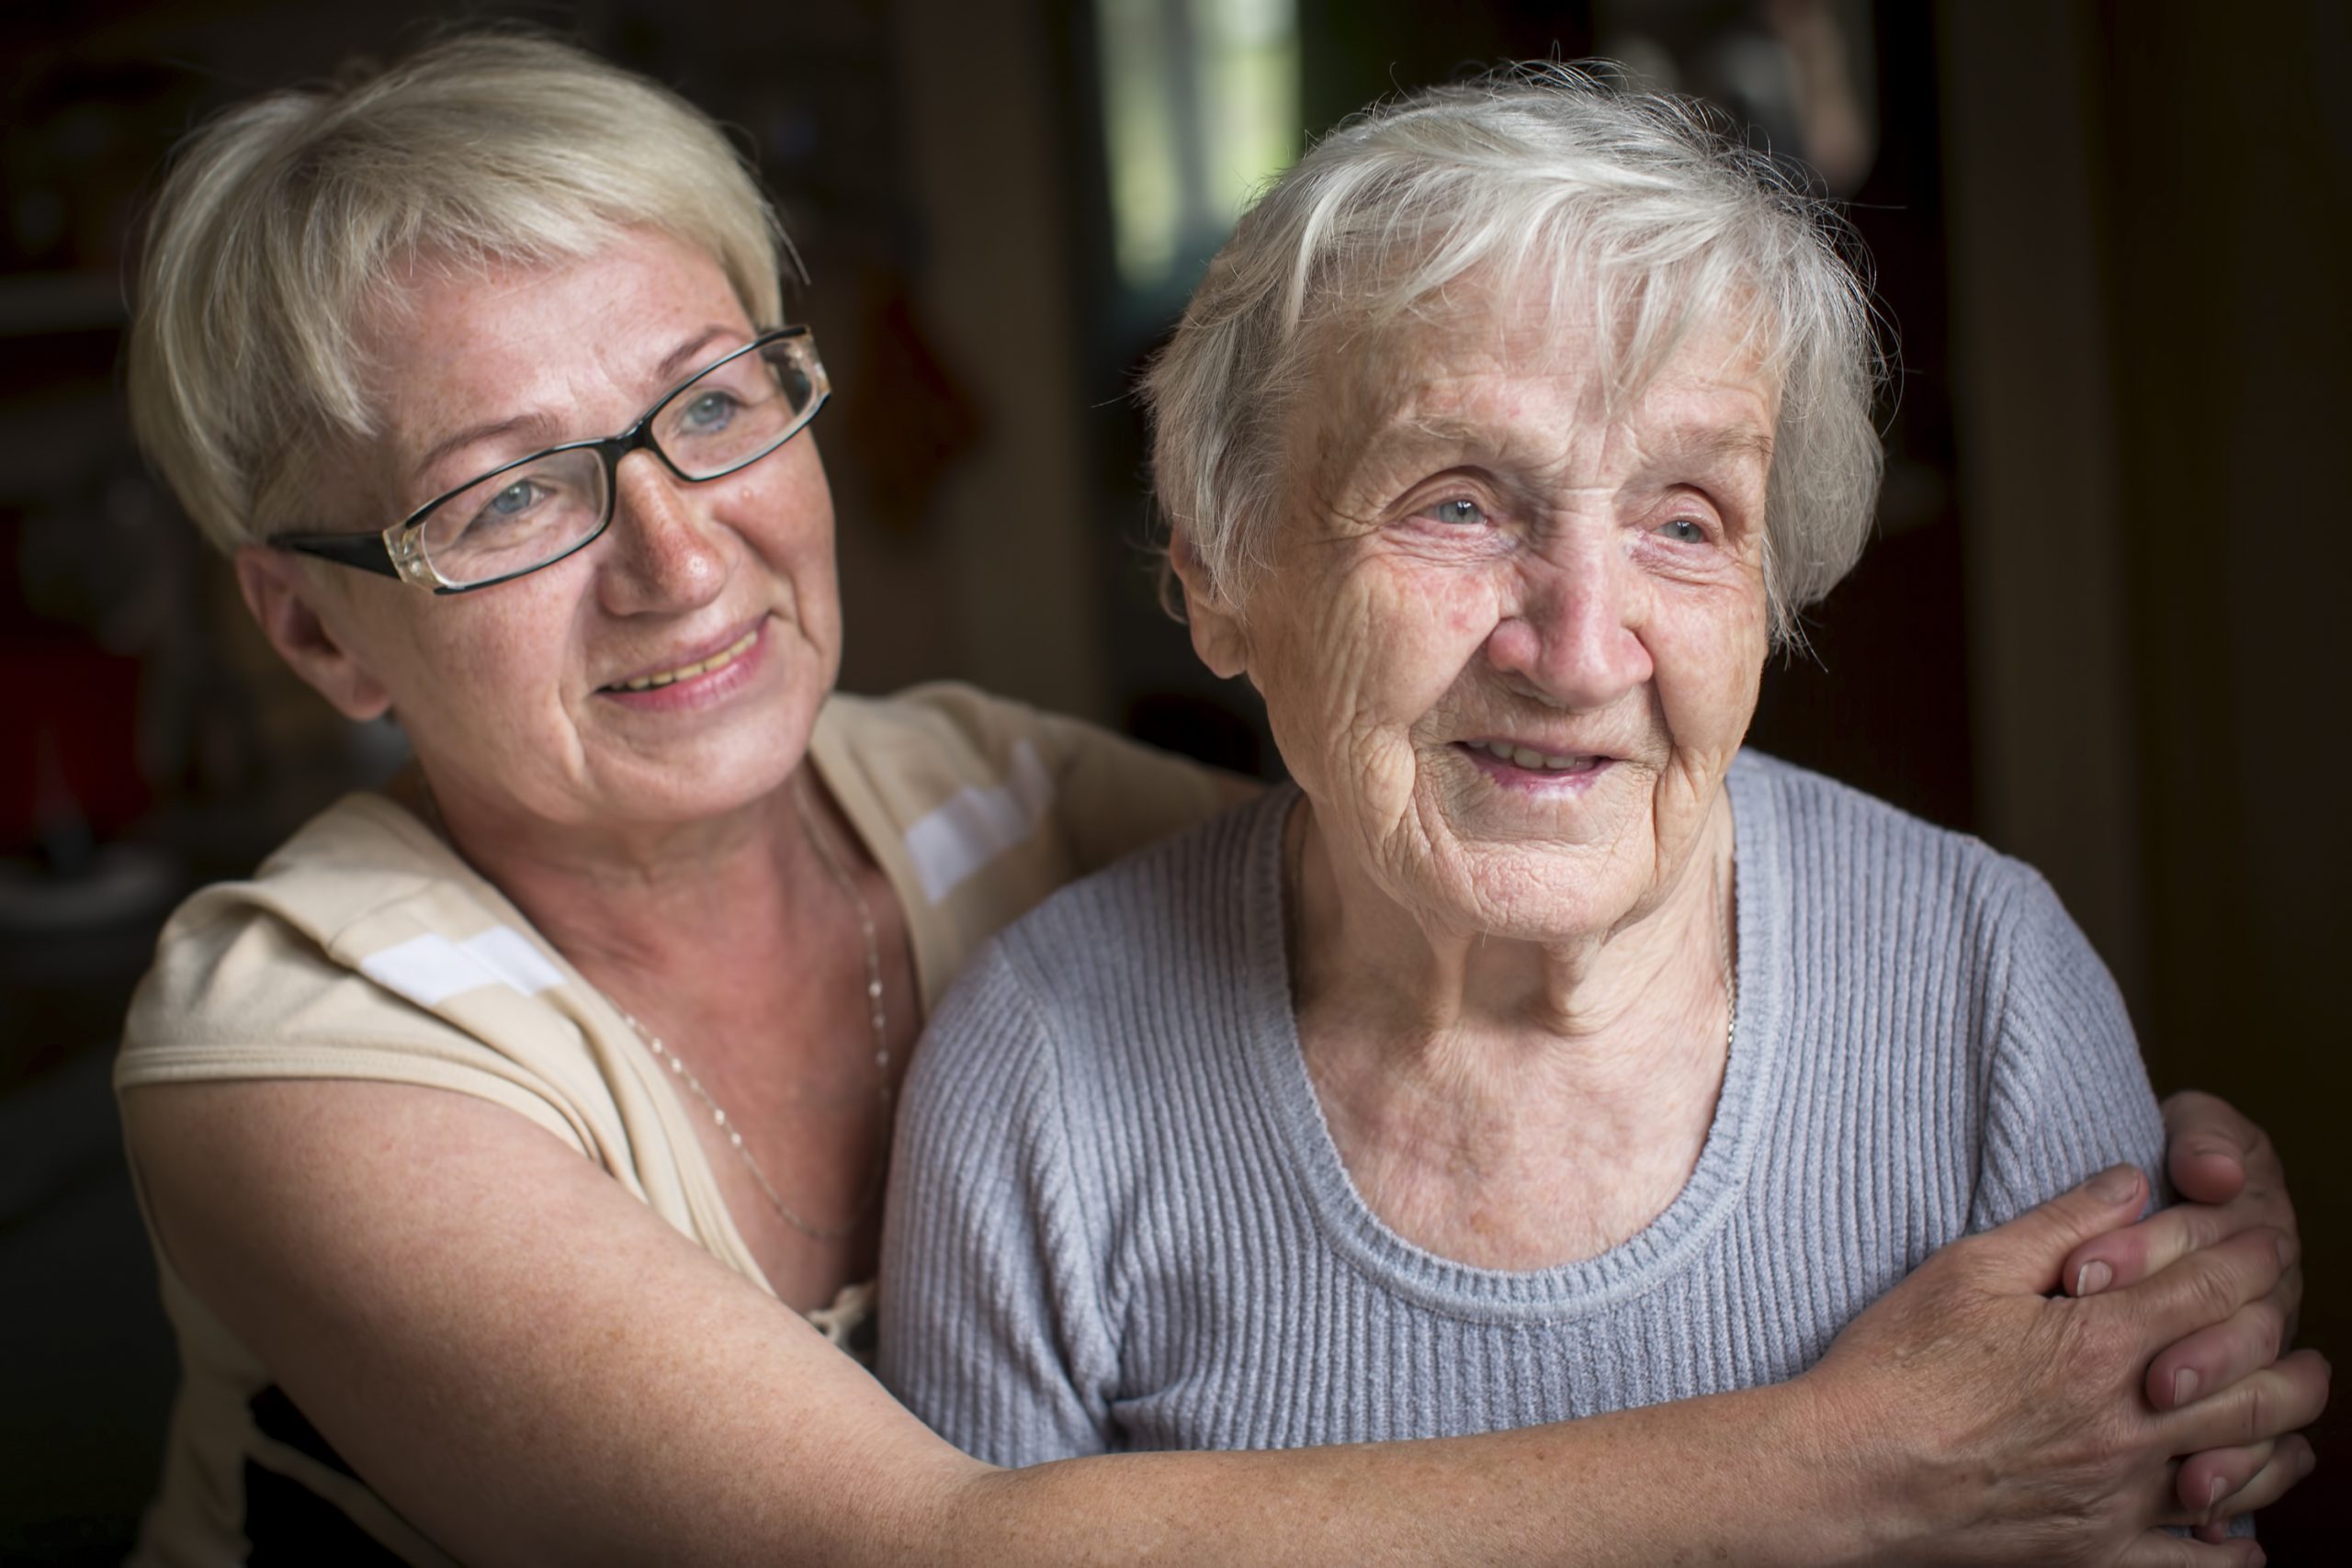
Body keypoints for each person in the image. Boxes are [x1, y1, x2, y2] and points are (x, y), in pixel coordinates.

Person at [112, 33, 2318, 1568]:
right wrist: (1874, 1459)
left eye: (709, 406)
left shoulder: (973, 792)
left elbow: (1416, 791)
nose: (678, 553)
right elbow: (920, 1551)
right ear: (318, 633)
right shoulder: (287, 1048)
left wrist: (2171, 1262)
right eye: (504, 495)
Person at [880, 62, 2327, 1550]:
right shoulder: (1042, 1078)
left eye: (1684, 523)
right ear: (1219, 579)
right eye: (1457, 500)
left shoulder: (1981, 983)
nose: (1577, 652)